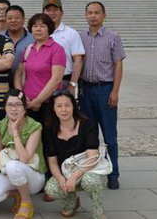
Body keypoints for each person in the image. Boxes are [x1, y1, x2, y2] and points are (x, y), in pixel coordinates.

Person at [80, 1, 126, 190]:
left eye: (96, 12)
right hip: (85, 91)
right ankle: (91, 171)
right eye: (90, 12)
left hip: (104, 90)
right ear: (86, 15)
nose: (93, 16)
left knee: (109, 135)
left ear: (104, 15)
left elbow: (118, 64)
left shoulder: (112, 37)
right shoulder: (80, 36)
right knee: (88, 134)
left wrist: (115, 91)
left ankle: (113, 174)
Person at [0, 89, 46, 219]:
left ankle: (26, 203)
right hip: (13, 173)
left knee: (12, 166)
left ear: (25, 108)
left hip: (33, 176)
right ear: (4, 108)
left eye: (18, 105)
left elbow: (25, 158)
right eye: (9, 105)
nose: (13, 109)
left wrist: (15, 131)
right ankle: (18, 194)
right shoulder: (1, 125)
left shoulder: (35, 126)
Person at [43, 90, 107, 219]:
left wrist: (74, 176)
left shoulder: (87, 124)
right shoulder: (50, 129)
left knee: (91, 181)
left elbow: (93, 156)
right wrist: (60, 178)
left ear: (74, 106)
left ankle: (98, 209)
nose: (63, 110)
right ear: (53, 109)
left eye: (67, 105)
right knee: (51, 189)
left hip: (89, 170)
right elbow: (52, 161)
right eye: (59, 106)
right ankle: (71, 202)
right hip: (66, 171)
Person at [14, 13, 65, 124]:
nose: (38, 29)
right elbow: (18, 74)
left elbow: (56, 79)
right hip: (27, 103)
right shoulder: (28, 49)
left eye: (42, 26)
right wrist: (22, 97)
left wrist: (38, 101)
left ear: (49, 29)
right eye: (35, 26)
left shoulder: (57, 49)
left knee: (48, 133)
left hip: (49, 104)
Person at [42, 0, 85, 97]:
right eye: (48, 10)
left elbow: (78, 61)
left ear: (62, 12)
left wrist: (72, 84)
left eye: (55, 10)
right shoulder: (37, 33)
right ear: (43, 13)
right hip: (42, 81)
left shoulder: (71, 33)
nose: (51, 13)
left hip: (64, 82)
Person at [6, 5, 34, 79]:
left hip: (26, 81)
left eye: (16, 18)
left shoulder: (33, 39)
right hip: (2, 82)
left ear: (23, 20)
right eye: (9, 18)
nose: (13, 20)